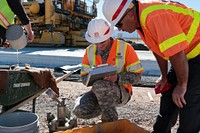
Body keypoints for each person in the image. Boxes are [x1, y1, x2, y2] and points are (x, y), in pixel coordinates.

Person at [102, 0, 200, 132]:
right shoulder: (141, 22)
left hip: (195, 53)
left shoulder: (154, 16)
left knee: (187, 98)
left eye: (119, 24)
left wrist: (182, 85)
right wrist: (164, 77)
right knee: (168, 92)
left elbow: (177, 53)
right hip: (186, 55)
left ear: (130, 14)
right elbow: (158, 49)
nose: (119, 29)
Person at [72, 18, 144, 122]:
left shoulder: (125, 48)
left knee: (100, 86)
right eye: (96, 42)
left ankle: (111, 121)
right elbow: (84, 77)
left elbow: (137, 78)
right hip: (98, 91)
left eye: (102, 41)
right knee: (79, 110)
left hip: (121, 92)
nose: (99, 45)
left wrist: (117, 78)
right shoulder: (89, 51)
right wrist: (91, 78)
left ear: (109, 35)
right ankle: (105, 107)